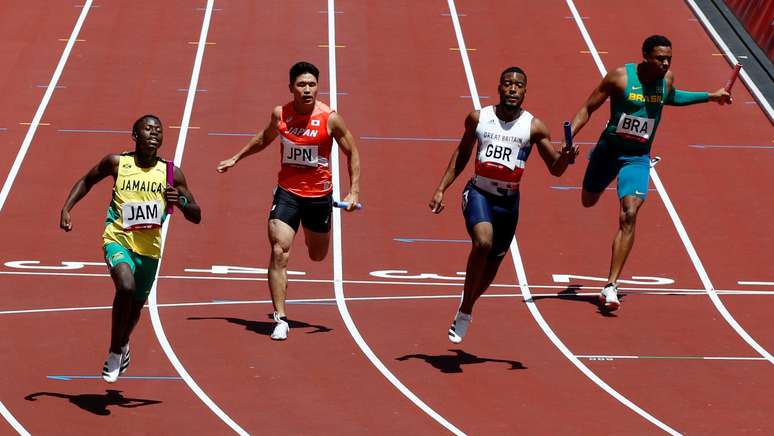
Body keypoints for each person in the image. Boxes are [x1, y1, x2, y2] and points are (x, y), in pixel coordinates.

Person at [566, 35, 731, 311]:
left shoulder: (666, 81)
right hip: (607, 152)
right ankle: (599, 174)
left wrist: (710, 96)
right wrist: (570, 138)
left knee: (629, 213)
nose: (665, 63)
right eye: (660, 58)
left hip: (637, 158)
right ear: (645, 56)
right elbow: (587, 108)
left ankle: (610, 286)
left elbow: (672, 97)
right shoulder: (620, 78)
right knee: (588, 200)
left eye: (669, 59)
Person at [430, 66, 578, 344]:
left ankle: (467, 304)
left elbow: (555, 169)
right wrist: (441, 188)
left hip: (508, 203)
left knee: (493, 263)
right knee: (483, 243)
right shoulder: (479, 118)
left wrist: (566, 158)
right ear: (499, 88)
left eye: (518, 85)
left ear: (524, 91)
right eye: (507, 84)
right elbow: (462, 154)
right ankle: (465, 309)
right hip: (479, 193)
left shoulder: (534, 127)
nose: (512, 89)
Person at [217, 61, 360, 341]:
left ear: (318, 86)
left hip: (319, 197)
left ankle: (308, 231)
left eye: (312, 84)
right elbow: (264, 139)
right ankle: (280, 318)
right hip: (287, 194)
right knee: (279, 250)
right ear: (291, 88)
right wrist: (237, 157)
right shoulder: (280, 114)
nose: (307, 90)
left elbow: (352, 151)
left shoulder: (330, 118)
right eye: (301, 85)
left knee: (317, 255)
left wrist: (354, 191)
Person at [60, 115, 201, 382]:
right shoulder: (117, 163)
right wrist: (67, 208)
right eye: (147, 129)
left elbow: (197, 214)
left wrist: (180, 201)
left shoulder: (171, 172)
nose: (154, 134)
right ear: (135, 135)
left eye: (158, 130)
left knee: (135, 309)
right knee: (125, 286)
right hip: (117, 238)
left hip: (149, 249)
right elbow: (87, 180)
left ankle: (123, 344)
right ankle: (114, 351)